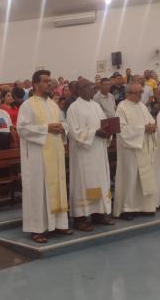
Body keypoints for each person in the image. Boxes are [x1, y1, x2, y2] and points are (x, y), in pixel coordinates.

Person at [17, 70, 72, 243]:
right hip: (37, 157)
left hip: (55, 153)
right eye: (46, 81)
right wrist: (46, 128)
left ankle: (58, 224)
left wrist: (63, 128)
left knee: (57, 188)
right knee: (38, 191)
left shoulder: (53, 104)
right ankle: (37, 229)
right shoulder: (27, 105)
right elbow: (22, 129)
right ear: (35, 84)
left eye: (50, 81)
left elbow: (63, 122)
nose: (50, 84)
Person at [66, 79, 114, 231]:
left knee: (98, 181)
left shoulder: (96, 105)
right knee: (83, 183)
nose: (92, 90)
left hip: (98, 151)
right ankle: (79, 218)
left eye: (93, 87)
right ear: (79, 90)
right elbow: (74, 132)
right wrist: (95, 132)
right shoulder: (74, 108)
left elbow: (104, 124)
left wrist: (108, 133)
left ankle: (98, 214)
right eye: (88, 87)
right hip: (84, 154)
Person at [113, 82, 158, 220]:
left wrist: (151, 127)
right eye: (138, 93)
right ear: (128, 94)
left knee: (142, 178)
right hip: (130, 150)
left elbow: (150, 122)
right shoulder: (122, 108)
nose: (140, 95)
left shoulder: (142, 106)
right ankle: (127, 209)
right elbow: (121, 130)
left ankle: (144, 206)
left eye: (141, 92)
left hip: (143, 146)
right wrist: (143, 129)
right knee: (130, 178)